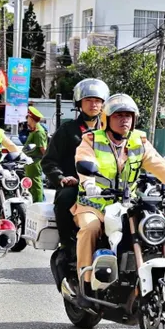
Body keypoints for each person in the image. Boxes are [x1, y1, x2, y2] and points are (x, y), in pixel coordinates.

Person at [72, 94, 165, 291]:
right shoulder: (92, 139)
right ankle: (85, 283)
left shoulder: (139, 141)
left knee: (157, 228)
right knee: (90, 229)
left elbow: (159, 164)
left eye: (128, 116)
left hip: (126, 205)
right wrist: (88, 183)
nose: (124, 120)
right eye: (119, 115)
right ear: (106, 119)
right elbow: (84, 160)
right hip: (94, 204)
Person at [42, 78, 110, 260]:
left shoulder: (110, 130)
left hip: (107, 186)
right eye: (88, 100)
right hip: (75, 185)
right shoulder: (67, 130)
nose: (93, 105)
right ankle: (67, 245)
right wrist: (61, 178)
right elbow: (49, 161)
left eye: (97, 101)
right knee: (65, 198)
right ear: (79, 103)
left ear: (103, 104)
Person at [23, 106, 49, 202]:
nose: (27, 120)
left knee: (36, 185)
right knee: (31, 185)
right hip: (30, 162)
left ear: (32, 119)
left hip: (35, 162)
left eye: (28, 118)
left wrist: (48, 162)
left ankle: (39, 204)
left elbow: (43, 149)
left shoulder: (39, 132)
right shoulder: (33, 130)